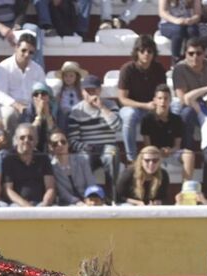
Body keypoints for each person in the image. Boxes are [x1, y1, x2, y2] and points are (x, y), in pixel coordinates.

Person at [66, 74, 122, 195]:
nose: (91, 93)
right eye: (88, 90)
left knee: (112, 155)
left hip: (108, 146)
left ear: (99, 90)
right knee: (83, 157)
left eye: (93, 90)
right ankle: (84, 196)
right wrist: (84, 147)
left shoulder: (111, 105)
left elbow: (117, 126)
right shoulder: (76, 111)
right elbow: (72, 140)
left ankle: (112, 196)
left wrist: (102, 107)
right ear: (82, 92)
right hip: (88, 148)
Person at [118, 35, 169, 163]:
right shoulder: (127, 69)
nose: (146, 54)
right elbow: (122, 99)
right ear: (137, 52)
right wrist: (145, 105)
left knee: (173, 109)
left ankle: (165, 152)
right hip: (132, 107)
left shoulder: (158, 69)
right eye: (142, 51)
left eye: (149, 51)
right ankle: (132, 158)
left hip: (152, 106)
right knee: (130, 115)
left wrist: (157, 104)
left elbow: (163, 92)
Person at [0, 0, 44, 74]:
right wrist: (0, 27)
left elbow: (21, 12)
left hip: (13, 24)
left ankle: (38, 70)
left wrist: (16, 27)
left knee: (34, 29)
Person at [0, 33, 46, 131]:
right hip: (12, 106)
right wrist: (17, 105)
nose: (27, 55)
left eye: (31, 52)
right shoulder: (4, 67)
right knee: (8, 114)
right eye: (24, 50)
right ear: (16, 47)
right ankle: (11, 145)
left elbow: (42, 92)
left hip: (32, 106)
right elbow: (0, 94)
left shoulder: (38, 69)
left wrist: (37, 108)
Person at [141, 84, 189, 180]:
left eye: (166, 98)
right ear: (155, 100)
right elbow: (147, 145)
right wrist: (157, 152)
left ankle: (186, 188)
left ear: (170, 100)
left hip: (171, 152)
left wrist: (170, 150)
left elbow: (177, 145)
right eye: (160, 98)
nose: (163, 101)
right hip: (153, 153)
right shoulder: (147, 119)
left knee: (188, 154)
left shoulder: (177, 119)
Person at [1, 123, 55, 206]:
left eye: (30, 138)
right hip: (17, 205)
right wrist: (27, 206)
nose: (26, 140)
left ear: (36, 141)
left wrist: (45, 204)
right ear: (16, 140)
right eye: (22, 138)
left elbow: (50, 187)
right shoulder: (9, 159)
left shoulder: (43, 158)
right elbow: (8, 190)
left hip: (41, 204)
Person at [49, 128, 94, 206]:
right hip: (67, 204)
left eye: (63, 142)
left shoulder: (82, 160)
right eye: (55, 144)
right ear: (50, 147)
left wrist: (90, 198)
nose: (60, 145)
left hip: (88, 199)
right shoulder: (51, 167)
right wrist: (77, 202)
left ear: (68, 144)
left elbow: (91, 182)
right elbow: (62, 192)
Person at [158, 0, 203, 65]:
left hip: (187, 22)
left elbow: (197, 15)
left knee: (192, 31)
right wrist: (176, 20)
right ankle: (175, 62)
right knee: (178, 31)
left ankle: (190, 59)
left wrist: (191, 20)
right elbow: (162, 12)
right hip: (168, 22)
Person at [20, 82, 57, 153]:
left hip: (52, 147)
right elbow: (27, 134)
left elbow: (56, 133)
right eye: (36, 94)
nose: (40, 96)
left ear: (49, 96)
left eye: (43, 94)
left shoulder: (57, 111)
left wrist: (48, 115)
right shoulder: (27, 112)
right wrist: (39, 117)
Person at [53, 61, 85, 132]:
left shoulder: (80, 91)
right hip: (64, 116)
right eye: (66, 76)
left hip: (77, 115)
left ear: (76, 77)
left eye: (71, 76)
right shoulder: (61, 91)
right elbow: (57, 104)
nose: (68, 78)